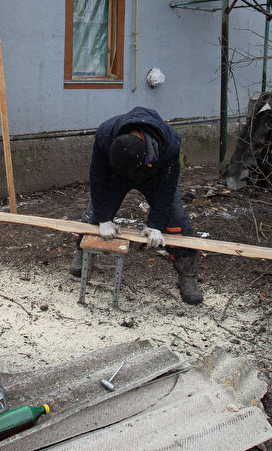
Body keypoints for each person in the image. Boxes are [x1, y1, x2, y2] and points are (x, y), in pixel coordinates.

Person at [76, 106, 202, 304]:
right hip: (116, 177)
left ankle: (187, 274)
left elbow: (166, 189)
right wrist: (103, 218)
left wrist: (155, 224)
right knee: (93, 217)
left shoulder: (169, 144)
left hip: (153, 177)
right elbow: (98, 179)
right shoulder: (104, 135)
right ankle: (83, 253)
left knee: (178, 222)